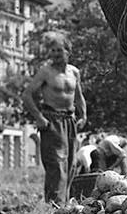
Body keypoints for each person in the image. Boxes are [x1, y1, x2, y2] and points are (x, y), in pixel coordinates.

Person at [24, 32, 87, 204]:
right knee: (57, 165)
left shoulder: (74, 72)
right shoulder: (45, 72)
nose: (55, 54)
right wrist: (38, 117)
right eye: (52, 51)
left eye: (59, 50)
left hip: (70, 120)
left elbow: (78, 96)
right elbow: (28, 95)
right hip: (52, 120)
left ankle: (65, 205)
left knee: (71, 164)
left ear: (68, 51)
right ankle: (53, 206)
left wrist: (83, 115)